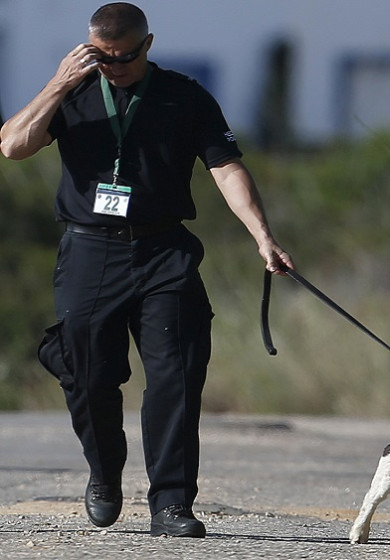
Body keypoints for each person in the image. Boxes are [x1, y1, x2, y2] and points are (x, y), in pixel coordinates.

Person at [0, 3, 293, 538]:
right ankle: (104, 473)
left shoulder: (185, 95)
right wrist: (56, 84)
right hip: (89, 251)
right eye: (102, 57)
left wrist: (263, 237)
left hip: (164, 250)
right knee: (88, 375)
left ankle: (173, 504)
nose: (113, 67)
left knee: (176, 375)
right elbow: (13, 146)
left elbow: (227, 169)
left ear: (148, 44)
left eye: (125, 56)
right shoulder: (71, 92)